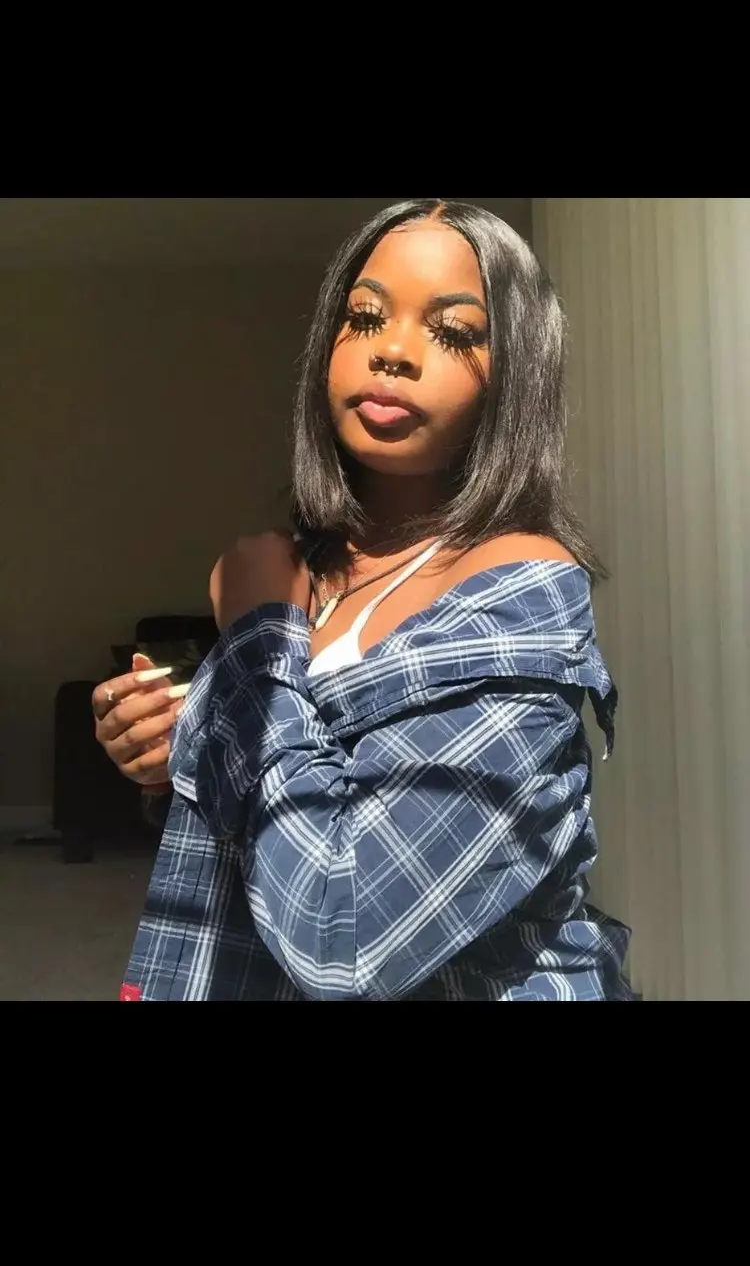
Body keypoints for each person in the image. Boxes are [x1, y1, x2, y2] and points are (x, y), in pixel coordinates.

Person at [93, 199, 636, 1001]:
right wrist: (177, 746)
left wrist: (256, 631)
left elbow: (339, 937)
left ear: (516, 375)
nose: (393, 352)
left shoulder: (520, 591)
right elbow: (298, 785)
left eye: (453, 331)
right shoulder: (313, 563)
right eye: (366, 316)